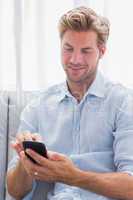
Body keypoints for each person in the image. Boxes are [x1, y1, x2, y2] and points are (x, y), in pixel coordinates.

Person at [6, 6, 133, 200]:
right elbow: (15, 191)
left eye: (86, 51)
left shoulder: (123, 102)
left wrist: (74, 177)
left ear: (102, 51)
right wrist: (26, 161)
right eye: (68, 49)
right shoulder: (38, 106)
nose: (75, 59)